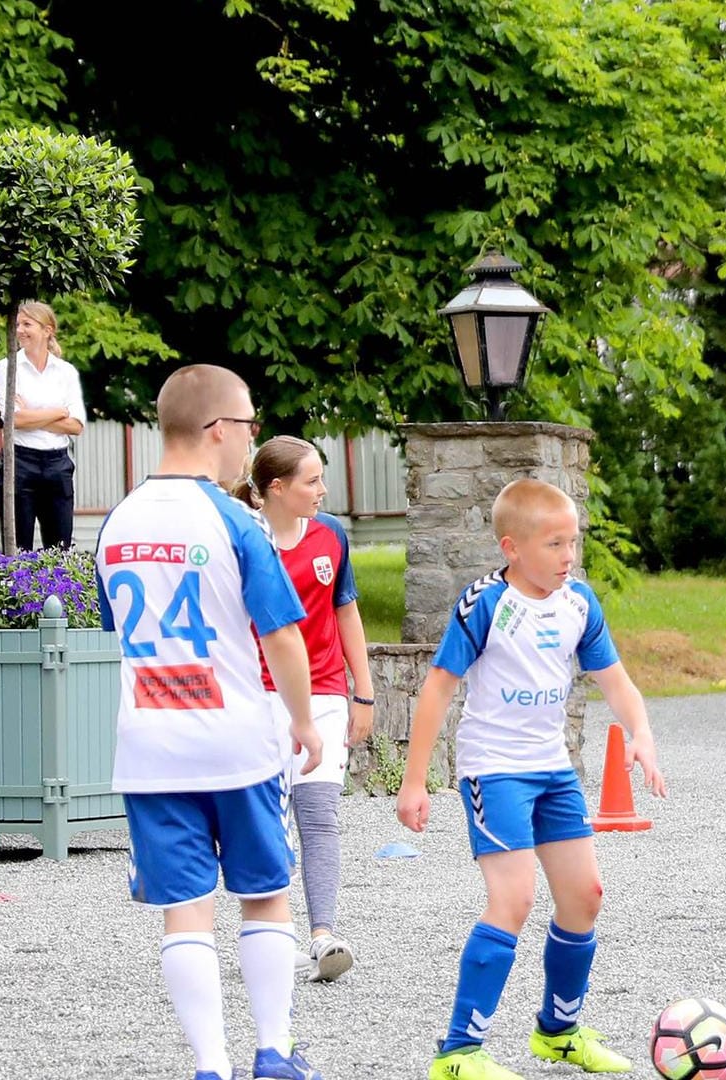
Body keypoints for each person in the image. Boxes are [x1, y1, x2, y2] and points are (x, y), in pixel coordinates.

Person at [96, 364, 327, 1080]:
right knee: (264, 892)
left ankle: (211, 1065)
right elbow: (281, 635)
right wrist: (304, 721)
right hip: (233, 738)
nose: (250, 439)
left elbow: (117, 628)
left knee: (184, 909)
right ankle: (274, 1051)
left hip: (149, 743)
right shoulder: (233, 520)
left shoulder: (116, 521)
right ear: (219, 429)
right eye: (250, 424)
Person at [397, 478, 667, 1080]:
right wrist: (414, 782)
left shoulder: (579, 604)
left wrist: (642, 734)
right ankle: (459, 1054)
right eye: (554, 545)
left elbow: (616, 681)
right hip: (494, 771)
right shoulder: (484, 603)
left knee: (584, 898)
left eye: (573, 543)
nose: (568, 557)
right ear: (512, 547)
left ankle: (558, 1033)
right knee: (513, 899)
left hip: (554, 771)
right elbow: (439, 687)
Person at [233, 436, 377, 981]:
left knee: (318, 816)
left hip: (324, 695)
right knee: (268, 822)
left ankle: (323, 937)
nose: (323, 490)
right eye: (312, 480)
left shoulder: (332, 535)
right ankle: (275, 936)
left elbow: (347, 614)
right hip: (258, 696)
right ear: (276, 488)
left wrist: (362, 690)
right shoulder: (244, 538)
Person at [0, 300, 86, 548]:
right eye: (17, 325)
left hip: (58, 466)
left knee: (59, 549)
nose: (20, 330)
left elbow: (76, 426)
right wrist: (58, 412)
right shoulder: (8, 367)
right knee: (17, 547)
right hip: (20, 464)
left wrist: (31, 415)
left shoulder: (66, 372)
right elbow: (13, 421)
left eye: (27, 324)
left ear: (48, 330)